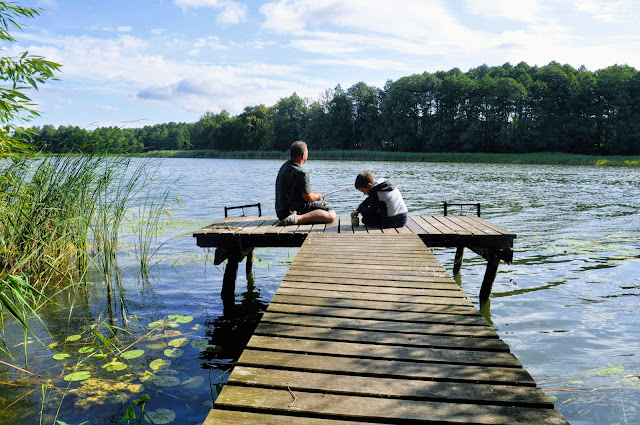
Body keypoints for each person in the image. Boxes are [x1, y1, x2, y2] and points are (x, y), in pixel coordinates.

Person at [275, 141, 337, 226]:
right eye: (307, 153)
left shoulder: (284, 166)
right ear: (303, 155)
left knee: (317, 207)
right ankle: (297, 219)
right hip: (294, 211)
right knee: (331, 214)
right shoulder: (301, 172)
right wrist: (318, 196)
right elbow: (308, 198)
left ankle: (294, 218)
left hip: (281, 212)